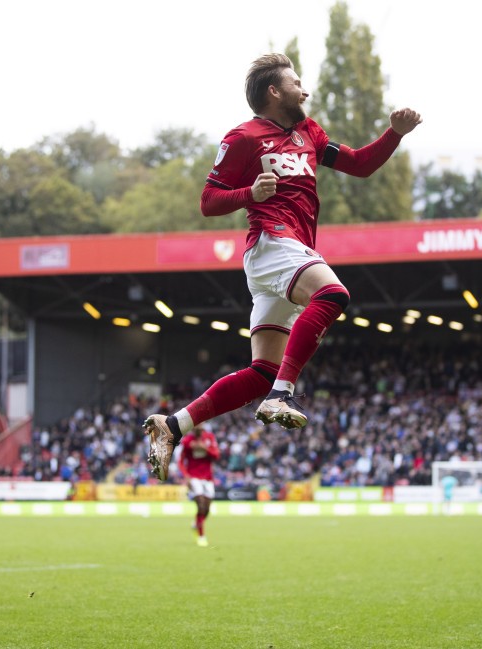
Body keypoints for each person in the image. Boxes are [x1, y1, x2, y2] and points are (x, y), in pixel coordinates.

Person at [144, 52, 422, 479]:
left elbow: (359, 165)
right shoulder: (243, 137)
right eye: (296, 82)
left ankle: (173, 425)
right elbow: (208, 202)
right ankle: (282, 395)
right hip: (273, 243)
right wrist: (250, 194)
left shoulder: (308, 132)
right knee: (332, 294)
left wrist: (394, 134)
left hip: (285, 254)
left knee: (260, 372)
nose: (304, 89)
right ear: (274, 91)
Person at [177, 426, 220, 547]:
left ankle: (196, 523)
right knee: (200, 505)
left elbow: (216, 455)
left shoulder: (209, 438)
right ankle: (201, 536)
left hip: (208, 478)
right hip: (193, 477)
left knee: (206, 509)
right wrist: (186, 476)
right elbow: (180, 461)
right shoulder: (187, 440)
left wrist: (205, 448)